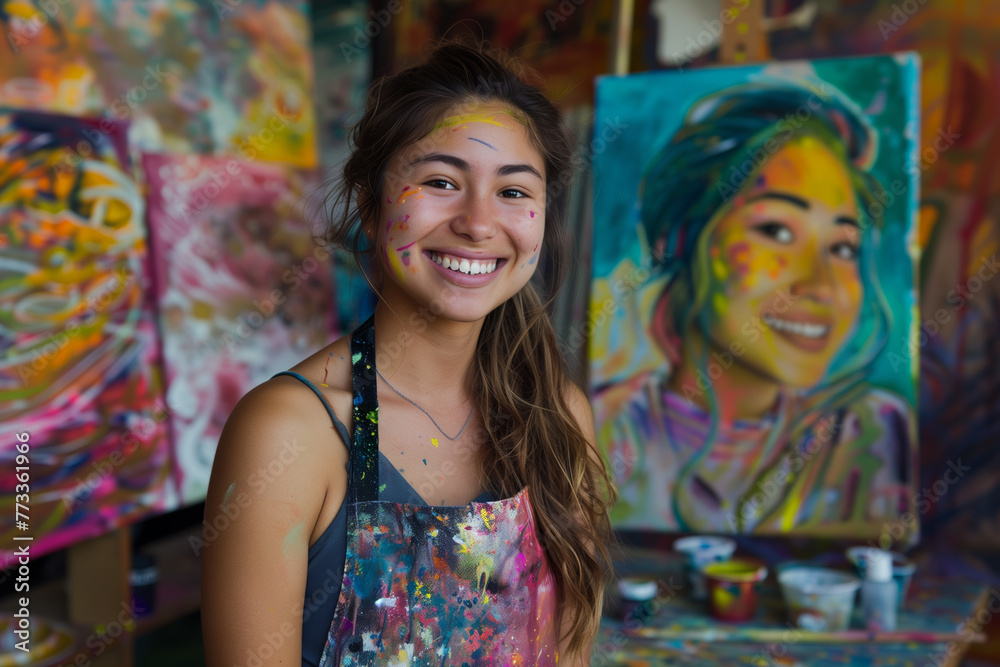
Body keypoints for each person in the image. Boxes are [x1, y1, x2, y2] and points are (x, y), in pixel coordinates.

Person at [202, 42, 615, 666]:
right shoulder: (292, 431)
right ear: (370, 205)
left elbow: (571, 652)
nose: (479, 223)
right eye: (441, 182)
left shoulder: (557, 416)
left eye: (512, 191)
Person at [593, 82, 915, 537]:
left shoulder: (865, 434)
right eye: (778, 232)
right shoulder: (601, 432)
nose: (822, 286)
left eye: (843, 247)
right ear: (681, 241)